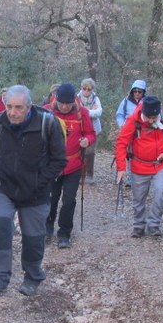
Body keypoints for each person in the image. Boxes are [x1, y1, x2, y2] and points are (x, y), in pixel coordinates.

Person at [0, 85, 67, 296]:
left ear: (29, 106)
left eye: (18, 107)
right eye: (9, 106)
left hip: (36, 193)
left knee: (33, 237)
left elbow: (59, 160)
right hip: (5, 187)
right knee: (1, 226)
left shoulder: (47, 122)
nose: (12, 112)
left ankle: (32, 277)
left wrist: (40, 182)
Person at [115, 95, 163, 238]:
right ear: (143, 114)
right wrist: (121, 168)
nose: (152, 121)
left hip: (161, 164)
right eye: (149, 118)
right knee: (138, 198)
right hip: (139, 165)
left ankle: (154, 225)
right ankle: (139, 226)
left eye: (154, 117)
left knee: (160, 192)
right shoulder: (133, 121)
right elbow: (122, 143)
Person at [44, 82, 95, 249]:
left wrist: (87, 140)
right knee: (50, 198)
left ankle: (64, 233)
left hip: (73, 164)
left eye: (68, 103)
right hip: (51, 165)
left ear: (74, 100)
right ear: (56, 99)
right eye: (62, 103)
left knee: (68, 200)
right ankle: (47, 226)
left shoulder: (82, 113)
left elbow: (90, 133)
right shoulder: (47, 111)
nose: (65, 107)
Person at [78, 77, 103, 183]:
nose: (86, 91)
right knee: (79, 151)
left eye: (89, 89)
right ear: (81, 88)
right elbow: (76, 111)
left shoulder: (95, 98)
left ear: (92, 90)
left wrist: (84, 112)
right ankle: (80, 174)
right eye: (84, 88)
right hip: (79, 128)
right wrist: (90, 111)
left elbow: (99, 112)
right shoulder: (77, 97)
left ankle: (89, 175)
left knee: (90, 152)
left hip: (93, 129)